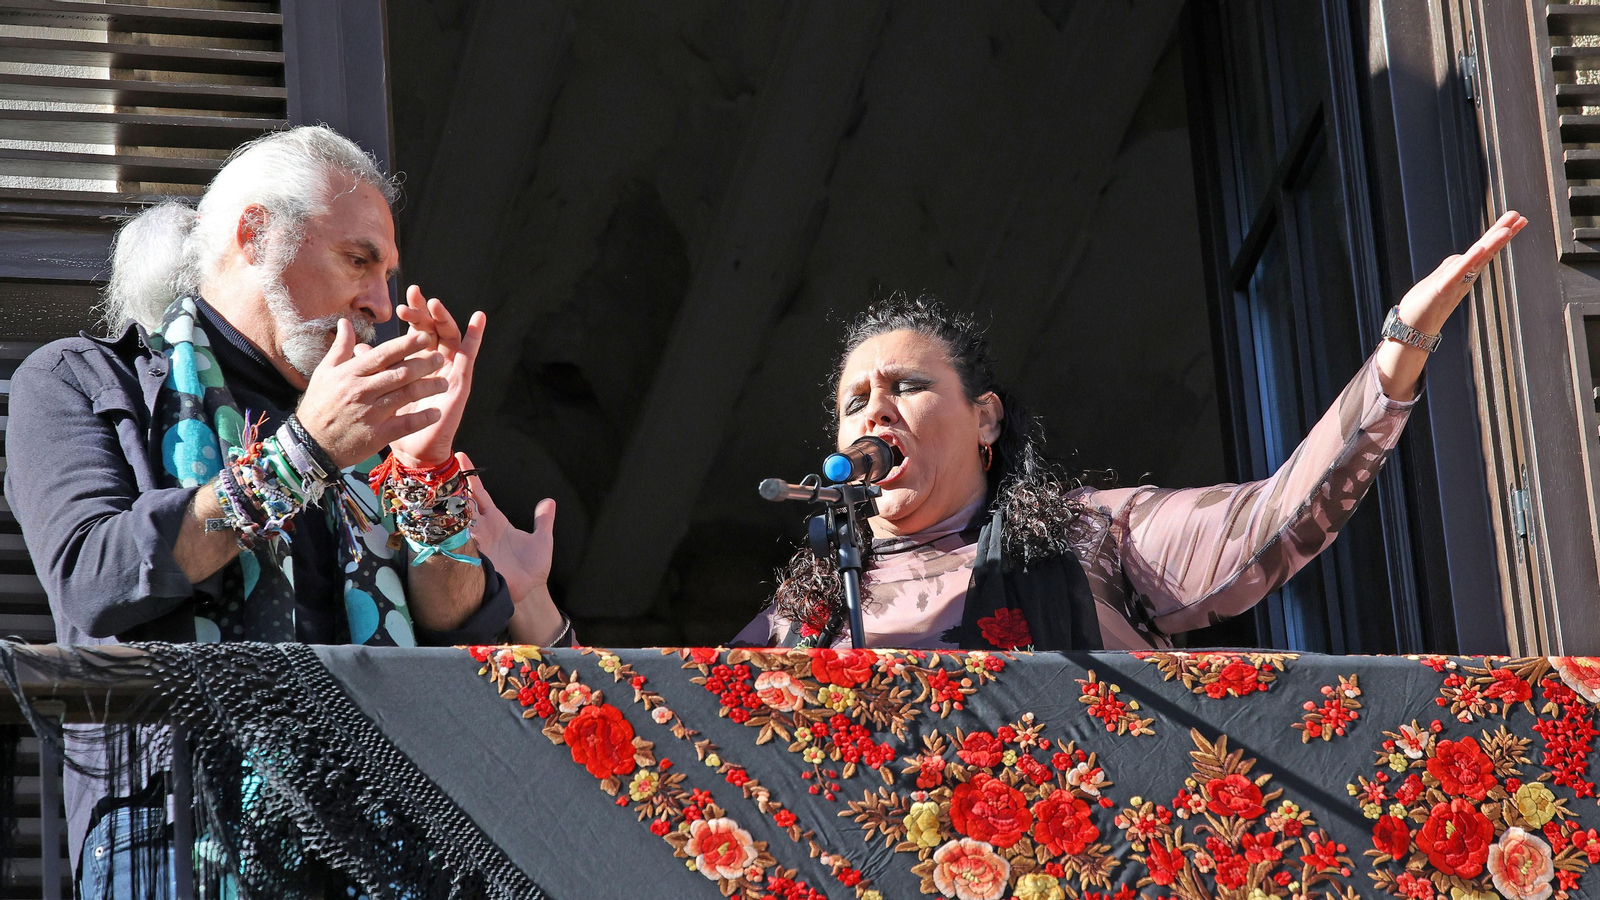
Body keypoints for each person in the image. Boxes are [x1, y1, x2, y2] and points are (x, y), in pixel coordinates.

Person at [4, 125, 567, 897]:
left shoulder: (363, 435)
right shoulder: (81, 381)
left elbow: (457, 626)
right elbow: (94, 580)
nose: (378, 300)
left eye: (387, 272)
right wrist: (304, 454)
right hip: (181, 836)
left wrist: (425, 466)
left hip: (381, 846)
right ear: (254, 234)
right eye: (358, 260)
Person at [723, 211, 1528, 651]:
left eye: (906, 385)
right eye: (855, 399)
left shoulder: (1089, 537)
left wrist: (1402, 346)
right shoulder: (810, 612)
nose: (874, 410)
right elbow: (679, 727)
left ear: (986, 418)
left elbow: (1273, 520)